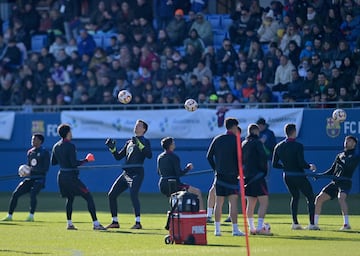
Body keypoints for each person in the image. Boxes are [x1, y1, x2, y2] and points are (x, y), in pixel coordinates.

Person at [51, 124, 106, 230]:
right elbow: (73, 163)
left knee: (70, 198)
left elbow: (53, 162)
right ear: (67, 133)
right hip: (71, 178)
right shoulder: (70, 146)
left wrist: (63, 159)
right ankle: (96, 224)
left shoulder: (56, 146)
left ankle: (69, 224)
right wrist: (86, 160)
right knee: (88, 196)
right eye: (70, 131)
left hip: (61, 177)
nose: (71, 133)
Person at [105, 120, 152, 229]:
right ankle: (115, 222)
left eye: (139, 125)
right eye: (136, 125)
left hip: (137, 173)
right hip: (126, 173)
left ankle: (138, 222)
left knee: (133, 194)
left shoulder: (145, 141)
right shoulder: (129, 142)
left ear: (144, 129)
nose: (136, 127)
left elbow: (149, 155)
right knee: (111, 194)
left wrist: (139, 144)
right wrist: (112, 148)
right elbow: (118, 157)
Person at [272, 123, 318, 230]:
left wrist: (285, 167)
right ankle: (311, 224)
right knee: (310, 197)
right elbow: (301, 163)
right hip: (298, 175)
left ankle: (295, 223)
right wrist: (310, 166)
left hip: (287, 176)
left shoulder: (278, 146)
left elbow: (274, 164)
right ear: (294, 132)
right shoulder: (298, 146)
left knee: (295, 197)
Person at [206, 117, 244, 236]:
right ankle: (235, 229)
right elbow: (240, 159)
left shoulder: (217, 139)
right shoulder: (236, 140)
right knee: (233, 203)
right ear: (233, 127)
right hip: (232, 176)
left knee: (219, 203)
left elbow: (209, 156)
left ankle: (217, 230)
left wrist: (216, 168)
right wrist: (239, 172)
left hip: (220, 176)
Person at [314, 135, 360, 230]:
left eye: (350, 141)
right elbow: (332, 170)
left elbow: (348, 166)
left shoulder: (355, 156)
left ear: (354, 144)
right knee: (319, 199)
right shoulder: (339, 155)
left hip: (345, 182)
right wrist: (320, 176)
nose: (347, 142)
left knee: (341, 198)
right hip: (335, 183)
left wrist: (342, 161)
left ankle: (346, 224)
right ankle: (314, 224)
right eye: (346, 140)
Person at [2, 134, 50, 222]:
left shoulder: (45, 152)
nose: (32, 141)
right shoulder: (30, 152)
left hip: (39, 179)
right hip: (30, 178)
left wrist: (30, 170)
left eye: (34, 139)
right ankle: (9, 216)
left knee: (33, 194)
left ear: (40, 141)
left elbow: (45, 168)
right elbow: (29, 166)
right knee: (15, 194)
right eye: (32, 139)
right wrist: (24, 172)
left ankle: (31, 216)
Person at [157, 136, 203, 209]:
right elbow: (179, 174)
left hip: (163, 185)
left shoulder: (160, 157)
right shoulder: (174, 157)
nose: (174, 144)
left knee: (173, 196)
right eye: (173, 143)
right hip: (174, 184)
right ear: (170, 145)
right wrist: (188, 168)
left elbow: (159, 172)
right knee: (197, 192)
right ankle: (201, 214)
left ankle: (175, 213)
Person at [242, 123, 272, 235]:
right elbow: (264, 158)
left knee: (250, 203)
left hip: (247, 178)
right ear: (255, 131)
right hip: (258, 177)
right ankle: (260, 228)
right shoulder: (258, 143)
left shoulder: (243, 144)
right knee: (264, 202)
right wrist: (264, 172)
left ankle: (251, 228)